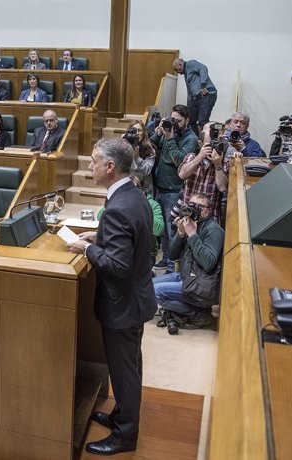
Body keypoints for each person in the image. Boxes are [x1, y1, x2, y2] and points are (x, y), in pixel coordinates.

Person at [67, 138, 156, 456]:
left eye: (93, 161)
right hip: (137, 298)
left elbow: (118, 264)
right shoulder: (133, 194)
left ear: (110, 166)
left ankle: (125, 437)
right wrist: (100, 235)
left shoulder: (118, 207)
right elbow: (132, 239)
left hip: (123, 304)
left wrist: (89, 248)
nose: (89, 166)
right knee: (130, 365)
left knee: (124, 372)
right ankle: (122, 415)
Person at [153, 192, 223, 334]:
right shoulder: (191, 223)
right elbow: (172, 255)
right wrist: (180, 233)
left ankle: (198, 313)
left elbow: (208, 262)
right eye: (191, 205)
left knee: (154, 292)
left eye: (199, 207)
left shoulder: (214, 230)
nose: (194, 209)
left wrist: (192, 234)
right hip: (186, 277)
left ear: (209, 210)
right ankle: (191, 310)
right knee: (148, 285)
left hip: (200, 286)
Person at [150, 104, 198, 272]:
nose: (175, 123)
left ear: (187, 120)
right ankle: (165, 258)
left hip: (174, 190)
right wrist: (158, 132)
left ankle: (172, 265)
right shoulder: (168, 129)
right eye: (173, 119)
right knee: (162, 228)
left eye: (179, 121)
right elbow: (151, 145)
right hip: (160, 187)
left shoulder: (190, 139)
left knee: (172, 229)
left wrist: (170, 137)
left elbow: (179, 161)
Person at [177, 124, 242, 222]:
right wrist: (200, 156)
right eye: (209, 144)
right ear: (200, 143)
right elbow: (182, 175)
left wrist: (217, 164)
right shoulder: (191, 157)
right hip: (188, 214)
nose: (213, 147)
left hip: (210, 217)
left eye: (216, 143)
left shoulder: (224, 162)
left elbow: (222, 187)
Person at [172, 58, 217, 134]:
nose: (177, 72)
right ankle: (195, 140)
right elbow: (190, 93)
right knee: (190, 121)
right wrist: (188, 107)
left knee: (202, 121)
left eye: (176, 70)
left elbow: (203, 68)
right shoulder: (186, 74)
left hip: (206, 95)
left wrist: (203, 86)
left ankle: (208, 140)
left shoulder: (190, 64)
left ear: (180, 64)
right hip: (196, 98)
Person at [123, 121, 156, 195]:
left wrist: (137, 157)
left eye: (139, 130)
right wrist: (121, 144)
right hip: (126, 188)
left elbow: (146, 171)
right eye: (134, 130)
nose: (137, 133)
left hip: (144, 189)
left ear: (144, 133)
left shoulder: (150, 150)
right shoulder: (124, 147)